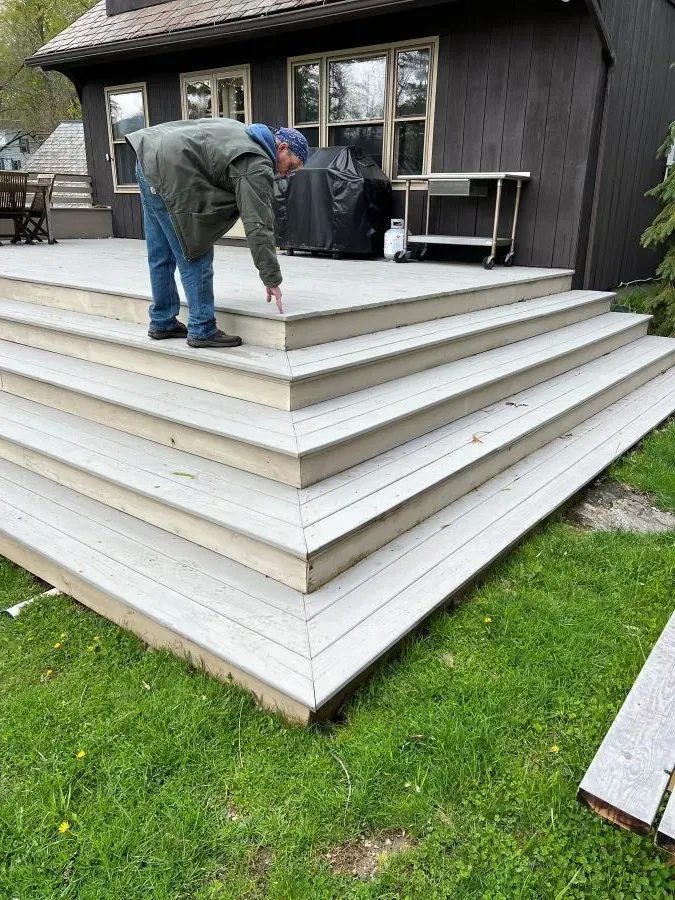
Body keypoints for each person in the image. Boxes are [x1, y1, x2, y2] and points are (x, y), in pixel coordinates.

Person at [126, 119, 308, 348]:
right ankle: (202, 327)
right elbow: (258, 225)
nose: (285, 174)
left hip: (147, 157)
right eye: (290, 166)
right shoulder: (257, 161)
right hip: (169, 168)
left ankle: (162, 321)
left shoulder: (245, 134)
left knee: (160, 251)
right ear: (281, 148)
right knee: (195, 247)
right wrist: (271, 278)